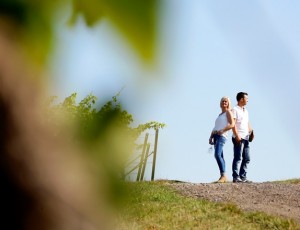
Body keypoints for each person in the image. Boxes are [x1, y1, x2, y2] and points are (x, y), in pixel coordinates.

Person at [209, 96, 234, 183]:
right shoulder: (220, 115)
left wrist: (223, 130)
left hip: (222, 136)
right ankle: (223, 176)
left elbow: (232, 124)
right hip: (216, 136)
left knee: (217, 154)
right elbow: (215, 127)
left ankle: (223, 175)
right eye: (223, 101)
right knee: (220, 156)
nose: (224, 103)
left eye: (226, 102)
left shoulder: (228, 112)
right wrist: (211, 136)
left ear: (228, 103)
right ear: (220, 103)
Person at [231, 92, 253, 183]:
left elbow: (247, 123)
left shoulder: (246, 111)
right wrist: (236, 135)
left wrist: (251, 132)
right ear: (241, 99)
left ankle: (243, 176)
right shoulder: (235, 109)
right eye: (246, 98)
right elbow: (233, 124)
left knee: (247, 158)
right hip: (238, 137)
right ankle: (236, 177)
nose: (247, 100)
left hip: (246, 137)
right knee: (238, 157)